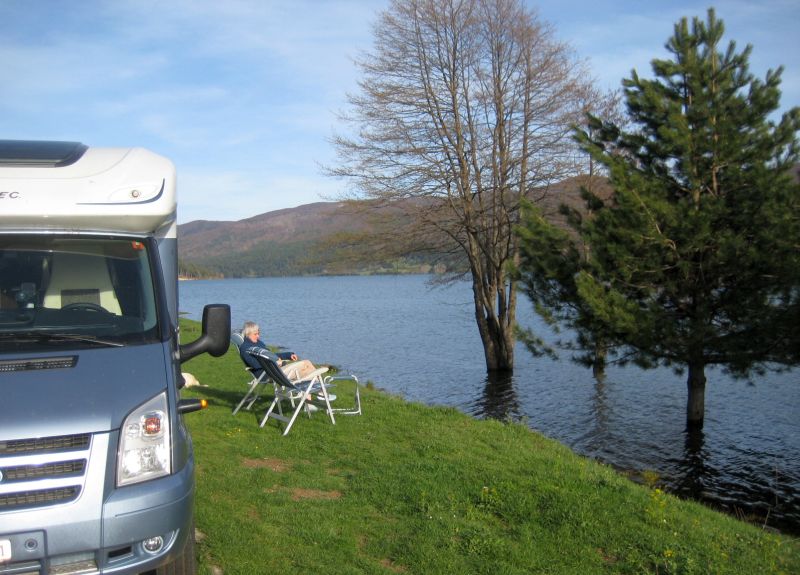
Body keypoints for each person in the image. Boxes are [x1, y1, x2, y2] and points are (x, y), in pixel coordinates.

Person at [238, 320, 323, 381]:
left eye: (258, 333)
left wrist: (288, 355)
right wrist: (273, 362)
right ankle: (321, 390)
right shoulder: (245, 348)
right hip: (267, 374)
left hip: (274, 370)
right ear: (248, 334)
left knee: (307, 367)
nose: (258, 336)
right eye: (255, 334)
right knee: (305, 366)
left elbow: (271, 355)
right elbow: (255, 364)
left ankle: (312, 397)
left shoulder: (258, 343)